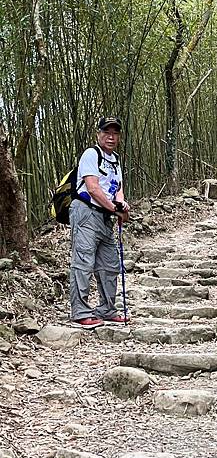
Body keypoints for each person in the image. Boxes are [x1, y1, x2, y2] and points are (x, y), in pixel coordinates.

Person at [69, 117, 130, 329]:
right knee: (84, 261)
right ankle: (81, 312)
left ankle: (107, 309)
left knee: (110, 263)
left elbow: (118, 188)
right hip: (86, 212)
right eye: (107, 132)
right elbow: (93, 187)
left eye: (115, 133)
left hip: (105, 217)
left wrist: (122, 205)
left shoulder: (115, 159)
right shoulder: (91, 154)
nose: (111, 137)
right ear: (99, 134)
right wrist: (115, 208)